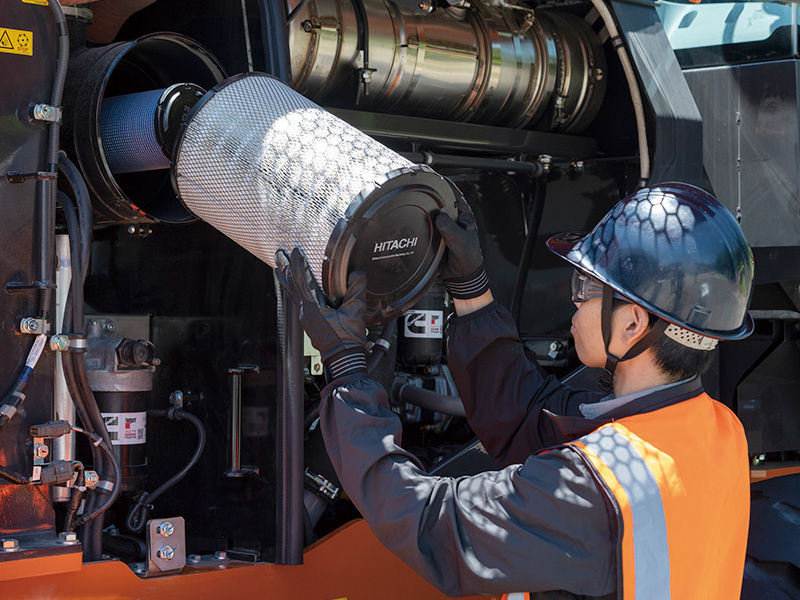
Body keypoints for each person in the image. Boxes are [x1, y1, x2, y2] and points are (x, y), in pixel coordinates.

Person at [275, 182, 754, 599]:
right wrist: (470, 288)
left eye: (587, 286)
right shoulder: (714, 431)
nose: (575, 299)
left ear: (632, 324)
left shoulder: (592, 493)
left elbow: (430, 523)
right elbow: (531, 418)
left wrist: (347, 367)